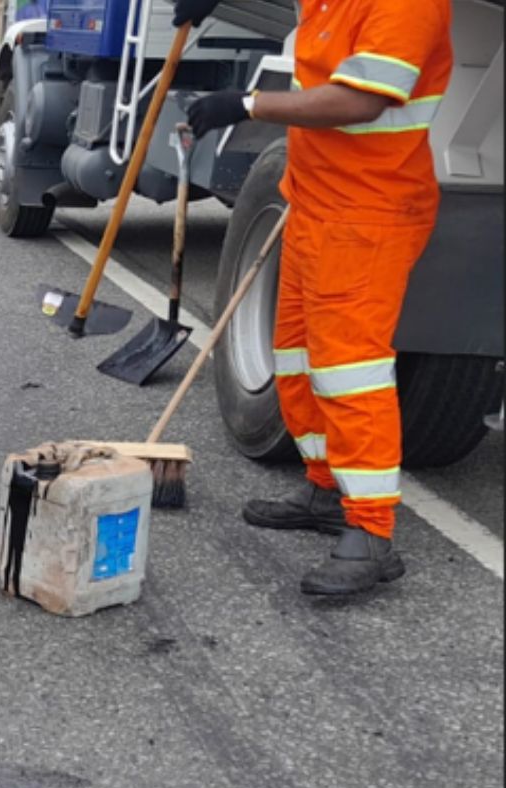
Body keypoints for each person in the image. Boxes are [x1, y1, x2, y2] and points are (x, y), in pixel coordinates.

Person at [178, 0, 452, 595]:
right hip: (314, 201)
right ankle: (327, 490)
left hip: (369, 213)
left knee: (350, 370)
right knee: (298, 357)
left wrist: (247, 105)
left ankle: (371, 533)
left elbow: (360, 101)